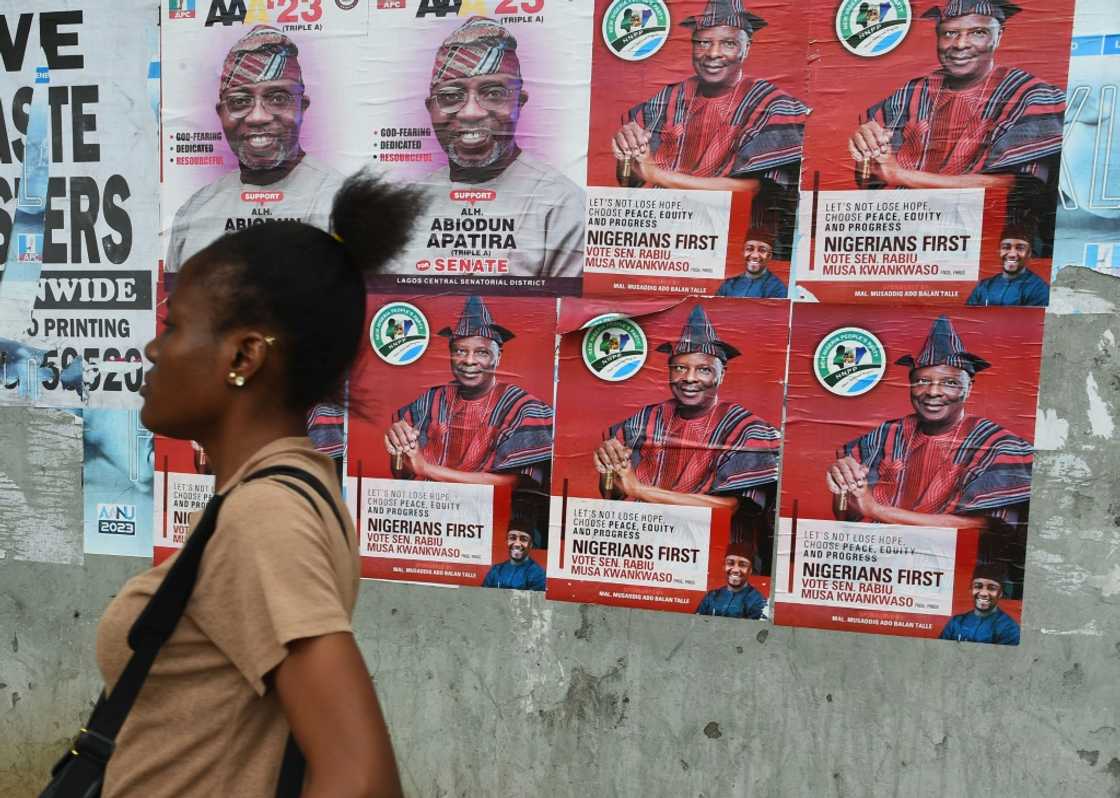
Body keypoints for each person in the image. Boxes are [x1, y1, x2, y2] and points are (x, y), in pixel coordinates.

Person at [94, 172, 422, 797]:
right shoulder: (284, 485)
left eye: (172, 327)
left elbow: (360, 777)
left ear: (244, 358)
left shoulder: (266, 514)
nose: (153, 349)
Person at [391, 16, 584, 283]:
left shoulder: (563, 206)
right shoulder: (405, 205)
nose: (471, 113)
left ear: (519, 102)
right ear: (430, 108)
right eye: (450, 96)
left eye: (494, 93)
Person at [611, 0, 809, 244]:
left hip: (732, 244)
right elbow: (631, 177)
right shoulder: (667, 98)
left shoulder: (772, 104)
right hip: (662, 238)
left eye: (728, 43)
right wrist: (627, 151)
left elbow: (749, 190)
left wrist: (658, 174)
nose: (713, 53)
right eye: (704, 42)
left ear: (746, 48)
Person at [594, 305, 780, 548]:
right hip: (642, 545)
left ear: (722, 373)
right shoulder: (644, 419)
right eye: (680, 368)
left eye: (703, 369)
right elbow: (612, 493)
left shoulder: (747, 429)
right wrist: (609, 468)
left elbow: (727, 509)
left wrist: (640, 489)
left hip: (712, 554)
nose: (689, 378)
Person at [826, 315, 1033, 532]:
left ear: (969, 387)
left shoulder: (998, 445)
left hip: (955, 562)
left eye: (950, 383)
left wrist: (877, 510)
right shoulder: (884, 436)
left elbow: (986, 526)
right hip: (882, 557)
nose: (933, 392)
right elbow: (845, 514)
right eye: (922, 381)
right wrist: (842, 486)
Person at [165, 26, 343, 274]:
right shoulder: (195, 212)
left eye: (278, 98)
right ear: (221, 113)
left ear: (302, 107)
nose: (258, 117)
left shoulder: (341, 203)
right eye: (239, 101)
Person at [848, 0, 1065, 194]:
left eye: (978, 32)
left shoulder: (1030, 95)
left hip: (983, 232)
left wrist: (901, 175)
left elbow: (1018, 187)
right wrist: (867, 148)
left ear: (999, 36)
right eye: (949, 34)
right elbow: (872, 178)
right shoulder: (911, 93)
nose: (960, 44)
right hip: (906, 229)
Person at [384, 295, 553, 490]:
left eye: (482, 352)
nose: (469, 360)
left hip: (492, 516)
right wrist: (398, 449)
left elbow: (518, 484)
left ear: (498, 357)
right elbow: (402, 473)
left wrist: (427, 468)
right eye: (460, 351)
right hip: (428, 511)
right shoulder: (430, 400)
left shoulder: (522, 407)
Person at [966, 224, 1050, 306]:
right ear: (999, 251)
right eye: (1006, 247)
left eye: (1020, 248)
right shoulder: (983, 287)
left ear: (1029, 253)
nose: (1012, 254)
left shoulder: (1039, 289)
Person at [939, 562, 1021, 644]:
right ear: (971, 590)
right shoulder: (956, 622)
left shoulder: (1009, 629)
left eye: (992, 588)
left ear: (1000, 593)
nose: (983, 593)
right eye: (978, 586)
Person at [695, 541, 769, 620]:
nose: (735, 570)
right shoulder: (711, 597)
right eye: (730, 563)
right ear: (724, 566)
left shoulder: (758, 602)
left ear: (750, 570)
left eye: (742, 565)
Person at [716, 226, 788, 298]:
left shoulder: (776, 288)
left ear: (769, 256)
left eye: (762, 250)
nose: (754, 255)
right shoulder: (728, 285)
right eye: (749, 249)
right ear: (743, 252)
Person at [480, 517, 546, 591]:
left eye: (523, 539)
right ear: (507, 541)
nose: (517, 544)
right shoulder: (496, 570)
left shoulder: (537, 574)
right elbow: (484, 597)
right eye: (512, 538)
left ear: (531, 544)